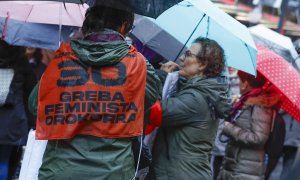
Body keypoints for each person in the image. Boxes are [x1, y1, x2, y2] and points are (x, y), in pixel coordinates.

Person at [28, 5, 161, 180]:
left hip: (61, 170)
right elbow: (147, 102)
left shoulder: (63, 60)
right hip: (114, 170)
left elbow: (36, 106)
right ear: (123, 26)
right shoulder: (139, 65)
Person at [146, 37, 232, 179]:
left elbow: (154, 112)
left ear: (202, 65)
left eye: (188, 54)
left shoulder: (196, 98)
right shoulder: (201, 91)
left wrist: (160, 77)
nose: (181, 58)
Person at [218, 70, 281, 180]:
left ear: (245, 83)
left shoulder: (260, 105)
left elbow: (258, 138)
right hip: (236, 166)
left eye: (239, 81)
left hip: (244, 170)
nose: (238, 84)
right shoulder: (246, 101)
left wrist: (229, 127)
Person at [0, 40, 37, 180]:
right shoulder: (22, 63)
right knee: (4, 161)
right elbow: (31, 97)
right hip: (13, 123)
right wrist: (32, 124)